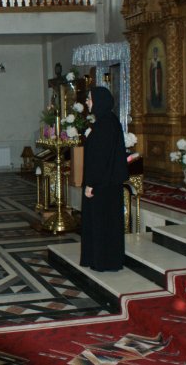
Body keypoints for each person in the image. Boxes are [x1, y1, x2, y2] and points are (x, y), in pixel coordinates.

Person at [80, 87, 129, 272]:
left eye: (89, 99)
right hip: (107, 183)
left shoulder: (105, 125)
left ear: (99, 101)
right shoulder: (108, 121)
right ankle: (102, 259)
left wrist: (91, 184)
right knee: (106, 223)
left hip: (101, 185)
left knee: (102, 224)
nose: (87, 102)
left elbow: (99, 159)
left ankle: (102, 260)